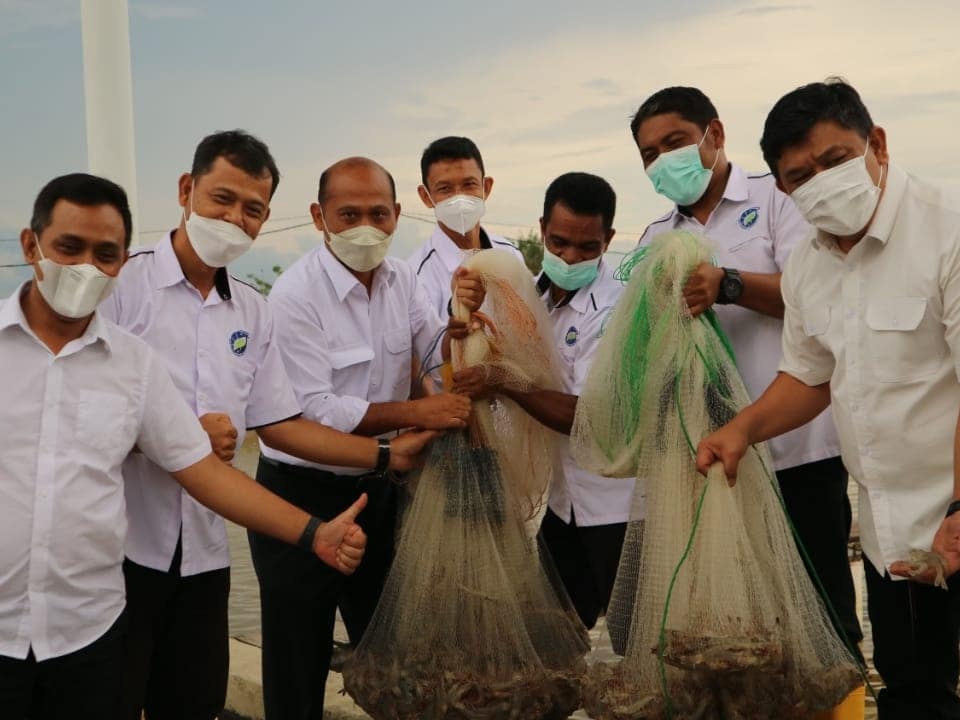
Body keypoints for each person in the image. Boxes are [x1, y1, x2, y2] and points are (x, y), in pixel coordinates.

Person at [0, 173, 368, 720]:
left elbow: (205, 472)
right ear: (32, 246)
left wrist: (314, 533)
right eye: (68, 248)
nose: (84, 268)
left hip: (88, 633)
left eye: (105, 254)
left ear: (122, 262)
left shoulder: (132, 364)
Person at [99, 131, 436, 720]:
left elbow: (280, 424)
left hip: (207, 547)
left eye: (251, 209)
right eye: (221, 200)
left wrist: (388, 459)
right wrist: (171, 435)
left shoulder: (250, 310)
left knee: (195, 699)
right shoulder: (120, 289)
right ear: (186, 190)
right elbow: (71, 410)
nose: (234, 220)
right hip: (117, 547)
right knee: (112, 696)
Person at [696, 79, 960, 719]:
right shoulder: (812, 266)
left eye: (836, 160)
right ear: (783, 188)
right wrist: (743, 431)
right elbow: (809, 378)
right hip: (888, 532)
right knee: (912, 689)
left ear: (877, 145)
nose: (821, 180)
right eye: (800, 174)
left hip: (954, 514)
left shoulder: (945, 230)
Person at [249, 156, 484, 719]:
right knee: (296, 655)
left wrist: (460, 325)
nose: (365, 227)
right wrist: (420, 412)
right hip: (297, 493)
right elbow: (317, 409)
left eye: (379, 213)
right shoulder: (295, 296)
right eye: (348, 213)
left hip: (379, 491)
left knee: (391, 653)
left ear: (399, 214)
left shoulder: (403, 278)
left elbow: (433, 350)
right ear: (318, 216)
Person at [632, 86, 861, 653]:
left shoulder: (781, 196)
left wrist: (728, 283)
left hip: (799, 447)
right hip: (712, 462)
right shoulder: (656, 239)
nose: (663, 161)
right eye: (649, 154)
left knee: (824, 617)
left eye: (675, 142)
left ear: (714, 133)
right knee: (742, 631)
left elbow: (817, 294)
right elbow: (642, 344)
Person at [452, 172, 633, 631]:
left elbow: (585, 417)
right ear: (542, 229)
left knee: (637, 640)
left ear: (608, 239)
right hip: (558, 504)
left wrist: (503, 380)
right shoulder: (525, 300)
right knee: (557, 632)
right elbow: (464, 368)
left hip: (618, 508)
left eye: (587, 247)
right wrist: (462, 319)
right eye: (559, 243)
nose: (570, 257)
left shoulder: (618, 311)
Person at [408, 136, 524, 319]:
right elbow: (429, 345)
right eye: (445, 189)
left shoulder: (510, 254)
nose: (459, 198)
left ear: (486, 187)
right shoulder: (415, 277)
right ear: (425, 196)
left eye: (469, 185)